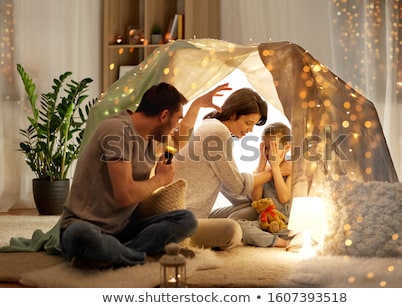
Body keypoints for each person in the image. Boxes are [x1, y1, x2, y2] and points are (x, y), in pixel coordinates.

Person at [60, 82, 231, 270]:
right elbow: (124, 196)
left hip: (122, 228)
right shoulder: (117, 130)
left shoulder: (150, 137)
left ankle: (116, 254)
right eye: (177, 119)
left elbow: (177, 141)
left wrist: (197, 105)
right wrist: (160, 180)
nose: (177, 126)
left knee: (186, 220)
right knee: (82, 235)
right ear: (164, 115)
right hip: (84, 225)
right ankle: (135, 256)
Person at [173, 87, 273, 250]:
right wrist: (273, 173)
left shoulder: (210, 126)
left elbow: (228, 185)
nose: (250, 129)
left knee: (250, 208)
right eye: (248, 123)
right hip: (183, 221)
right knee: (232, 231)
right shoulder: (217, 133)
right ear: (233, 114)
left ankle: (216, 234)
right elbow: (238, 186)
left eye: (254, 125)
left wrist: (255, 201)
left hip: (193, 216)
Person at [238, 122, 293, 248]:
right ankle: (280, 243)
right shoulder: (262, 172)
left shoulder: (290, 169)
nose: (269, 153)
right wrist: (261, 164)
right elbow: (256, 200)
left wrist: (275, 168)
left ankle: (280, 240)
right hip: (265, 222)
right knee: (240, 226)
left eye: (273, 147)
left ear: (286, 147)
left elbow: (284, 198)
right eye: (266, 148)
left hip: (284, 224)